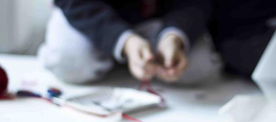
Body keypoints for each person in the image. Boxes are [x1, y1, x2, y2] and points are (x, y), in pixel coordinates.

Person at [38, 0, 219, 85]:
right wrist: (125, 41)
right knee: (70, 62)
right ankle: (120, 55)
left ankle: (137, 59)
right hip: (89, 15)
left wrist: (174, 36)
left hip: (156, 18)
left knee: (199, 67)